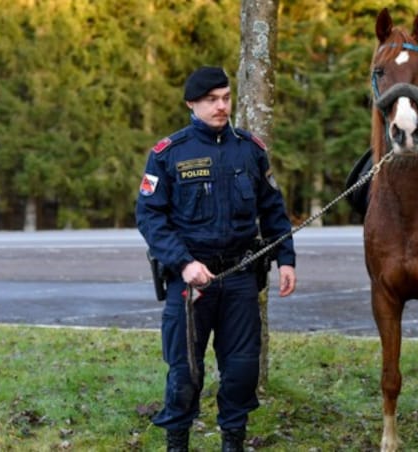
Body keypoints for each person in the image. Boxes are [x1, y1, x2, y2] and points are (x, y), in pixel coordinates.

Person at [135, 66, 297, 452]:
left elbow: (273, 209)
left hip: (240, 276)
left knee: (241, 370)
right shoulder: (168, 154)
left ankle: (233, 443)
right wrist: (184, 263)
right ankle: (177, 443)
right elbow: (149, 217)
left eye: (225, 98)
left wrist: (286, 258)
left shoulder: (250, 149)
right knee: (185, 373)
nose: (221, 106)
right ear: (192, 103)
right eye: (211, 100)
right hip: (191, 281)